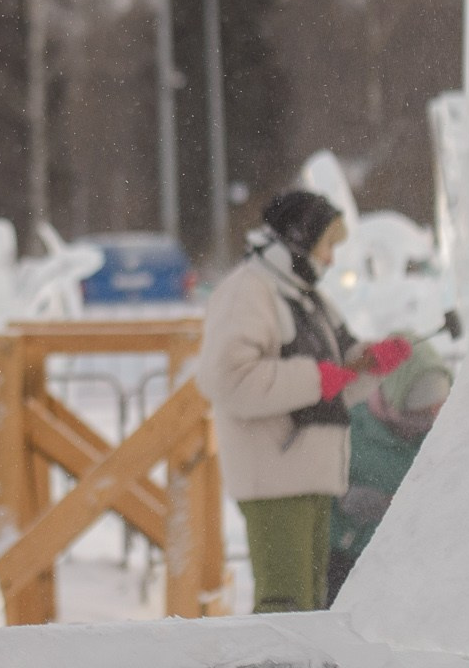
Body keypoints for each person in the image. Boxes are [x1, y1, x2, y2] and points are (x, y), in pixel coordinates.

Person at [194, 191, 411, 614]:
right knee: (285, 607)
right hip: (274, 479)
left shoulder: (307, 297)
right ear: (298, 240)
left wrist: (371, 363)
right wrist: (316, 378)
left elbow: (336, 382)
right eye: (326, 245)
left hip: (313, 476)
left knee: (311, 608)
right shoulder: (249, 291)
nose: (331, 259)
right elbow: (226, 379)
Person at [327, 344, 452, 601]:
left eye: (439, 408)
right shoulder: (350, 428)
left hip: (414, 569)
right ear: (397, 394)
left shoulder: (445, 437)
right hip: (348, 563)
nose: (430, 418)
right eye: (421, 407)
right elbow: (318, 496)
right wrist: (347, 503)